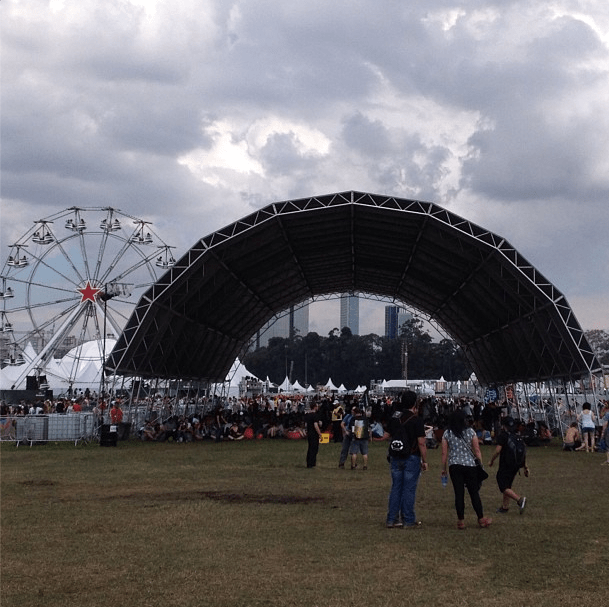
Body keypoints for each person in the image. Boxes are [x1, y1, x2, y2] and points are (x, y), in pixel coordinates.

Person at [441, 409, 492, 529]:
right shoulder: (470, 432)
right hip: (470, 465)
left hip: (454, 465)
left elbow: (444, 453)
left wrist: (443, 469)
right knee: (474, 493)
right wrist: (480, 464)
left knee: (459, 493)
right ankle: (481, 518)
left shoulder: (447, 433)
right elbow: (477, 450)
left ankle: (461, 521)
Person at [385, 390, 428, 529]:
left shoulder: (395, 417)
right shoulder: (416, 420)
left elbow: (387, 434)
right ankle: (408, 519)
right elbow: (421, 442)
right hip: (412, 456)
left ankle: (392, 519)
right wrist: (425, 460)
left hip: (396, 456)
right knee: (408, 489)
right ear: (415, 403)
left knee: (396, 488)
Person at [489, 417, 529, 514]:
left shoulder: (503, 435)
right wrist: (525, 467)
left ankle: (519, 500)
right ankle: (505, 507)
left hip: (506, 464)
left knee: (503, 485)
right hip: (516, 465)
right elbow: (522, 452)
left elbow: (498, 450)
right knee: (507, 485)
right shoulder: (517, 436)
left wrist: (491, 460)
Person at [305, 402, 323, 468]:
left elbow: (306, 425)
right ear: (315, 407)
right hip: (314, 434)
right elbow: (316, 425)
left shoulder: (307, 415)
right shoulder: (315, 415)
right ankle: (312, 463)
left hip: (309, 433)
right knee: (314, 449)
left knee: (310, 448)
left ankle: (308, 462)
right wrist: (320, 434)